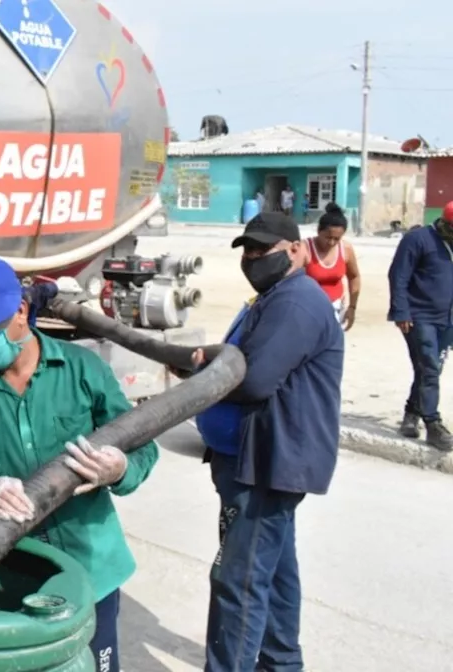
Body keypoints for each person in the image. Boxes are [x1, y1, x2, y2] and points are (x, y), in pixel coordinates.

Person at [0, 256, 159, 670]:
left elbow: (143, 444)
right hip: (4, 575)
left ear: (21, 311)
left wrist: (119, 467)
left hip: (91, 568)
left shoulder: (82, 369)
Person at [193, 211, 343, 672]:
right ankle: (280, 661)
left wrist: (203, 371)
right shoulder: (273, 296)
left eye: (264, 250)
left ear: (296, 250)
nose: (254, 259)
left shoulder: (295, 303)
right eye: (249, 251)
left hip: (264, 464)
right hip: (255, 457)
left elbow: (254, 380)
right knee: (274, 572)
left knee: (238, 581)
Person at [387, 201, 453, 450]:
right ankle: (433, 423)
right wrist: (401, 311)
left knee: (430, 368)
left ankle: (411, 414)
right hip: (419, 316)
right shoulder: (418, 239)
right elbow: (398, 276)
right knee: (429, 366)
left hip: (448, 318)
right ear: (446, 223)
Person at [305, 203, 362, 330]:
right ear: (318, 230)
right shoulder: (305, 248)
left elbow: (354, 277)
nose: (331, 242)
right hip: (307, 310)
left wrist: (352, 307)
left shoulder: (346, 249)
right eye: (327, 237)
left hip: (336, 309)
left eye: (337, 239)